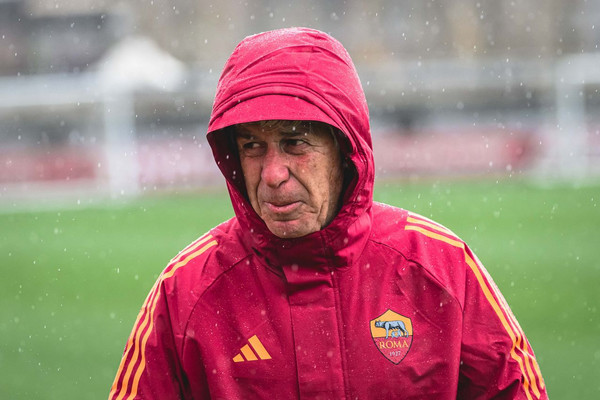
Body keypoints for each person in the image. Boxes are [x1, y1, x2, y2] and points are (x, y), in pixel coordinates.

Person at [109, 27, 547, 399]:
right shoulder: (185, 291)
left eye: (295, 143)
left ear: (344, 149)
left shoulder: (440, 266)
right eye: (252, 146)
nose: (272, 174)